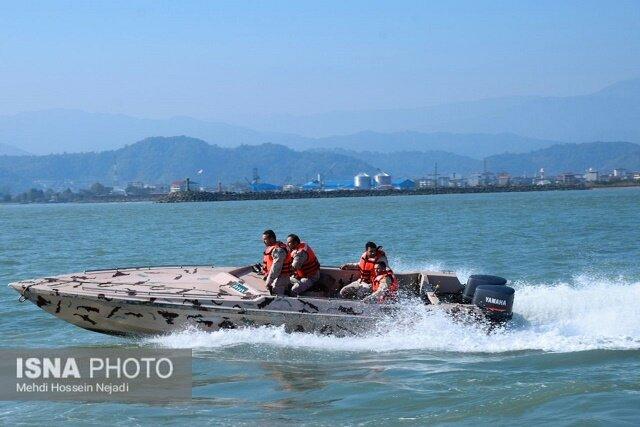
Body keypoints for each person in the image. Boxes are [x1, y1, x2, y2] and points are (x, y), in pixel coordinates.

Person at [261, 229, 292, 296]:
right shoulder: (274, 247)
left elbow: (276, 268)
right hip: (276, 277)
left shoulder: (279, 251)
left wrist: (269, 282)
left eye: (265, 239)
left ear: (271, 239)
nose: (263, 241)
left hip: (280, 278)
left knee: (277, 296)